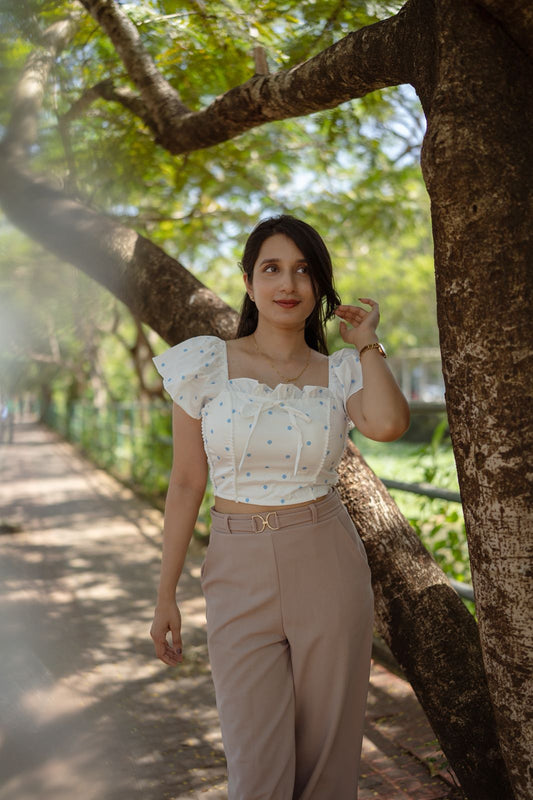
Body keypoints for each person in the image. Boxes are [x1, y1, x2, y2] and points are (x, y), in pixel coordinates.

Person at [150, 215, 410, 800]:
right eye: (272, 268)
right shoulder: (204, 365)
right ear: (248, 282)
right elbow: (188, 481)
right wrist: (166, 594)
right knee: (256, 769)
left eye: (303, 270)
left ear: (320, 286)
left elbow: (390, 424)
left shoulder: (341, 372)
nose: (287, 283)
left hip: (326, 560)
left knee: (327, 765)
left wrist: (367, 342)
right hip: (237, 568)